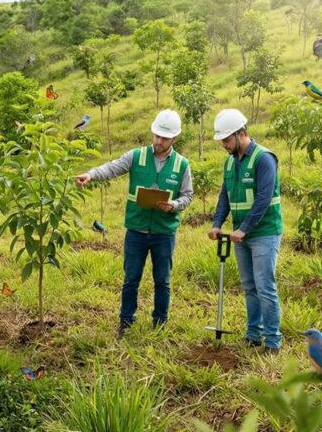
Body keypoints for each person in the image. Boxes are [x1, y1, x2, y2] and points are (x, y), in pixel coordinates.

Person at [74, 110, 193, 336]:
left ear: (174, 139)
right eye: (156, 136)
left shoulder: (181, 165)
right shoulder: (136, 156)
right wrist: (91, 174)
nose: (158, 141)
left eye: (164, 138)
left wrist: (174, 205)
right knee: (131, 279)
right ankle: (126, 322)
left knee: (162, 281)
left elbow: (187, 195)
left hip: (164, 233)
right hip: (136, 231)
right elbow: (111, 167)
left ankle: (160, 323)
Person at [208, 109, 283, 354]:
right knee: (249, 285)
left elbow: (263, 199)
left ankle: (272, 341)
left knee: (264, 286)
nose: (224, 145)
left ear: (241, 134)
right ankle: (253, 335)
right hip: (241, 234)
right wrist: (217, 223)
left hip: (264, 232)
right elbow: (225, 196)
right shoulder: (230, 162)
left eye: (227, 140)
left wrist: (244, 229)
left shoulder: (264, 159)